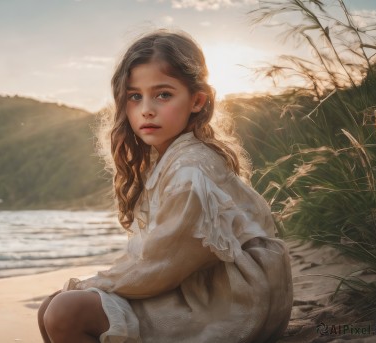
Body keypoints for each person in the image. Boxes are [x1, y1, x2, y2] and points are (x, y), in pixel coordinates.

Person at [37, 29, 293, 343]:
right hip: (197, 288)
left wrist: (88, 285)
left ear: (197, 100)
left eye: (163, 95)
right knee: (51, 308)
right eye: (135, 96)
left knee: (66, 310)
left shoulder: (191, 168)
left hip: (229, 303)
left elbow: (161, 266)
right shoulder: (165, 160)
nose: (147, 108)